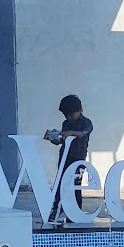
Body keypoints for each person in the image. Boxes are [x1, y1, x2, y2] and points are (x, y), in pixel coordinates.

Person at [43, 94, 93, 225]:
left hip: (78, 159)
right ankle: (57, 209)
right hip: (65, 157)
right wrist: (53, 138)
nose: (69, 118)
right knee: (61, 183)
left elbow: (84, 133)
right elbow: (62, 140)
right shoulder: (66, 123)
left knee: (75, 185)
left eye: (71, 115)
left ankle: (75, 212)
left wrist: (72, 132)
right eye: (66, 115)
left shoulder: (86, 123)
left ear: (79, 110)